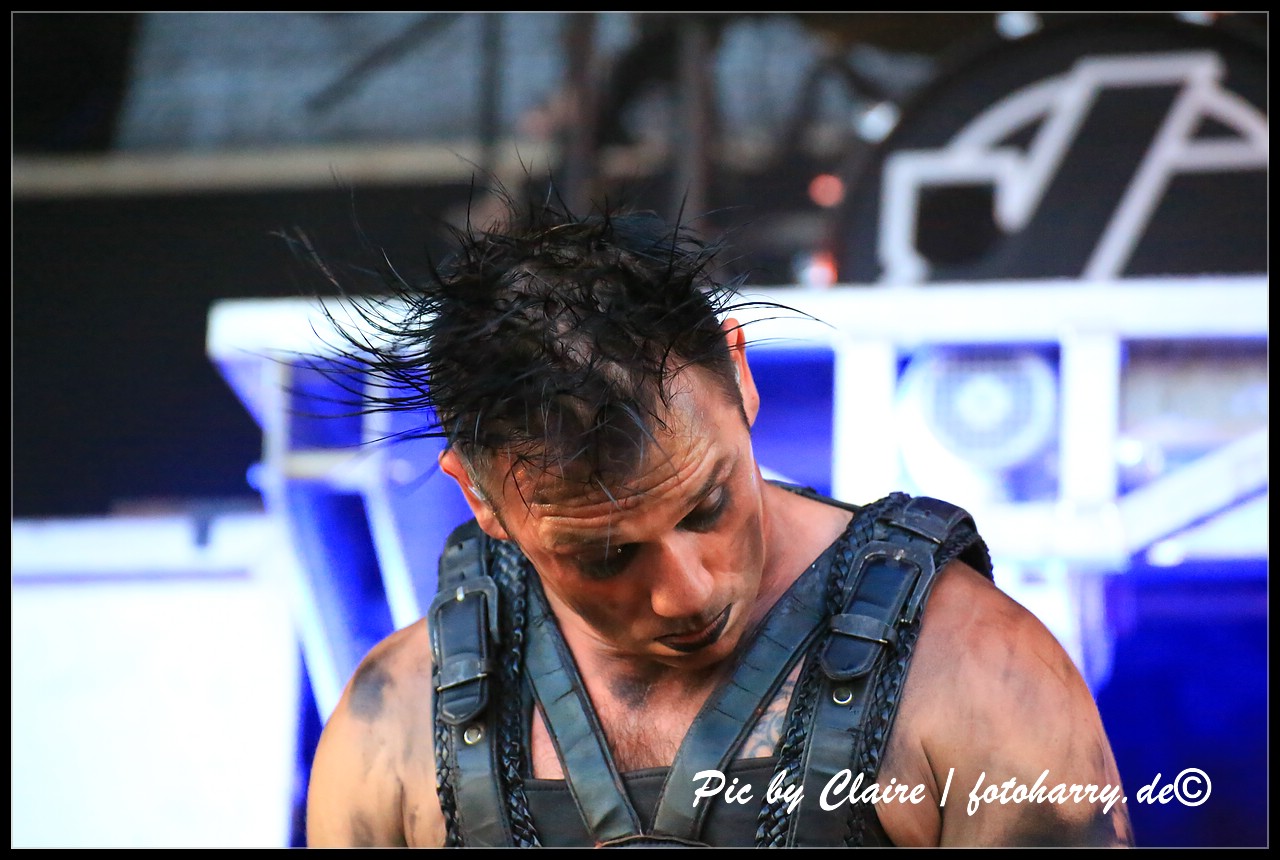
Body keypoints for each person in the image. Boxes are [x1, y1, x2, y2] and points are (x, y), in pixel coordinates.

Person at [302, 191, 1135, 847]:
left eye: (706, 506)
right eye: (605, 556)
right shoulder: (397, 725)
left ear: (739, 375)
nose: (687, 592)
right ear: (479, 498)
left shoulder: (975, 672)